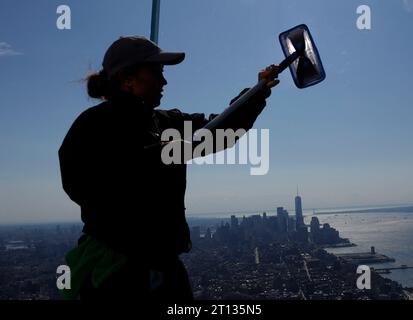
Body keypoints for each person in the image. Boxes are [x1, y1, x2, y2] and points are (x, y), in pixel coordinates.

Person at [58, 36, 279, 301]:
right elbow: (87, 183)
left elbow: (219, 129)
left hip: (159, 264)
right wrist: (164, 153)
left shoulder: (160, 121)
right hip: (122, 275)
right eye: (156, 72)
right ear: (128, 79)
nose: (164, 81)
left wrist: (256, 93)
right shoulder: (94, 127)